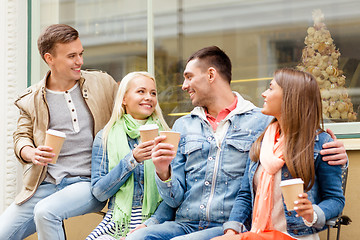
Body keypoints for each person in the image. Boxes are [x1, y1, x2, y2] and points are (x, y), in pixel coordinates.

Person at [125, 46, 347, 240]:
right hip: (187, 222)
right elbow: (175, 198)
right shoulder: (185, 126)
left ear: (211, 75)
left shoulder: (261, 122)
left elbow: (301, 131)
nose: (184, 85)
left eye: (189, 76)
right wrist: (163, 172)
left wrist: (337, 155)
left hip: (237, 226)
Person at [0, 24, 118, 240]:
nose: (80, 61)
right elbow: (21, 137)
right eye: (71, 56)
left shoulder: (103, 84)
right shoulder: (31, 98)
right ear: (49, 58)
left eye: (81, 54)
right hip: (45, 184)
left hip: (89, 182)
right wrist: (31, 153)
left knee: (46, 212)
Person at [212, 68, 345, 240]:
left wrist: (312, 213)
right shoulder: (261, 141)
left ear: (290, 96)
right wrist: (232, 231)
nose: (263, 94)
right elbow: (245, 195)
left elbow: (335, 200)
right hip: (258, 233)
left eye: (271, 88)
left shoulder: (321, 144)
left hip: (295, 236)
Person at [86, 72, 175, 240]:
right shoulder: (105, 136)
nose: (149, 97)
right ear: (124, 98)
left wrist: (151, 223)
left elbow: (175, 194)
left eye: (153, 93)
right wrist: (131, 160)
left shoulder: (167, 136)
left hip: (156, 221)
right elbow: (99, 192)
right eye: (141, 91)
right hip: (117, 220)